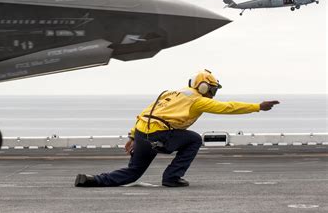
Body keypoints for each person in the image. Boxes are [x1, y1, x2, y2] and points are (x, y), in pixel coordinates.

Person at [75, 69, 279, 188]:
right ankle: (171, 178)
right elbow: (227, 107)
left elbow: (147, 111)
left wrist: (132, 136)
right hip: (159, 135)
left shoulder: (170, 93)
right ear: (204, 87)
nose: (213, 94)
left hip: (142, 132)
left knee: (133, 173)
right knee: (194, 139)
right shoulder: (198, 100)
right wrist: (257, 107)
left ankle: (91, 180)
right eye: (213, 89)